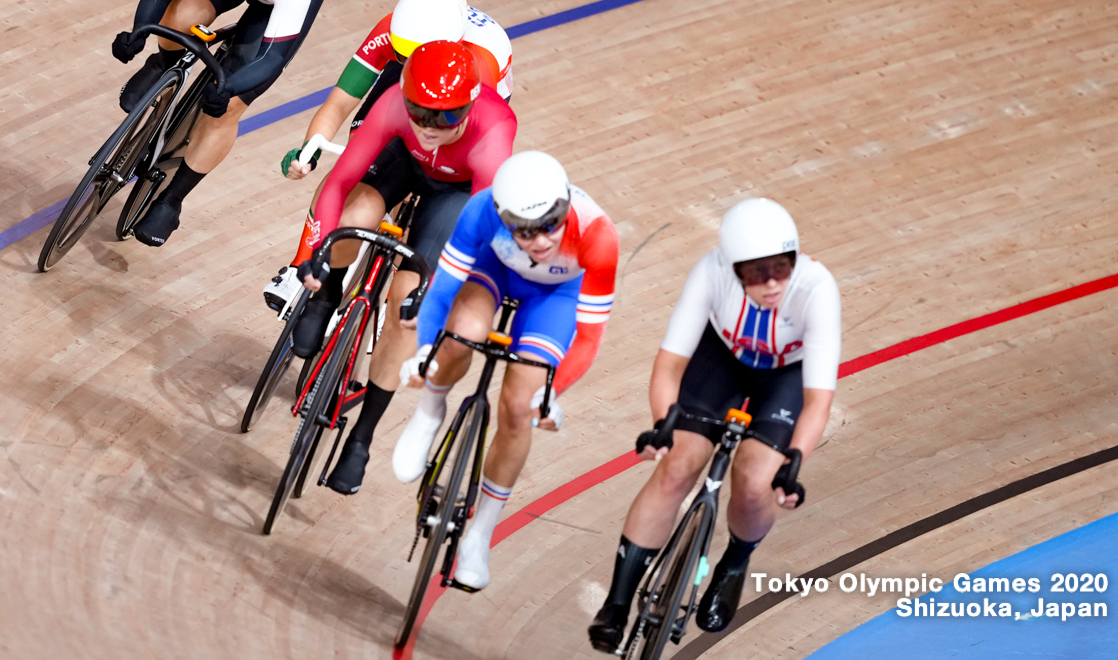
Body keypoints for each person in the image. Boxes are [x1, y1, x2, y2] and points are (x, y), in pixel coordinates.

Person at [587, 198, 840, 651]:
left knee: (754, 479)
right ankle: (618, 603)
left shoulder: (817, 289)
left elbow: (818, 400)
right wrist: (663, 424)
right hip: (720, 359)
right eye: (757, 272)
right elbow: (669, 366)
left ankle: (735, 564)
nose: (772, 283)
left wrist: (794, 462)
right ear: (732, 268)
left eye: (782, 267)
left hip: (784, 377)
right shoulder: (710, 273)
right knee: (678, 464)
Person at [288, 40, 517, 495]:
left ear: (470, 106)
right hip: (403, 163)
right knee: (353, 220)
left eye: (446, 117)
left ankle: (361, 438)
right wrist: (316, 253)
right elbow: (338, 183)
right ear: (406, 98)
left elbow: (475, 232)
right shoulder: (395, 106)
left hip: (456, 191)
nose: (431, 127)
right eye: (421, 113)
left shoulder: (495, 129)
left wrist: (437, 290)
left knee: (406, 304)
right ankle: (329, 295)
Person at [388, 151, 619, 589]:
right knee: (461, 334)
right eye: (526, 230)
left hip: (555, 297)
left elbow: (588, 337)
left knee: (518, 407)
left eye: (552, 223)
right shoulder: (481, 210)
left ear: (566, 205)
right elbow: (441, 292)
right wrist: (424, 355)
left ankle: (480, 534)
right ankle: (430, 412)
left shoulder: (597, 234)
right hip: (495, 271)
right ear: (502, 215)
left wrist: (552, 393)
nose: (541, 240)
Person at [263, 0, 513, 313]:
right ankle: (302, 265)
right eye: (400, 54)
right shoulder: (394, 30)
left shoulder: (477, 66)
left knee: (434, 175)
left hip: (455, 89)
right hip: (406, 87)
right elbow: (338, 103)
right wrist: (311, 148)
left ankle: (388, 285)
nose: (406, 60)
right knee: (358, 160)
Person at [110, 0, 330, 247]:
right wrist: (139, 32)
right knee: (179, 17)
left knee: (226, 108)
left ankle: (171, 199)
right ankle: (162, 65)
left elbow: (272, 58)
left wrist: (230, 89)